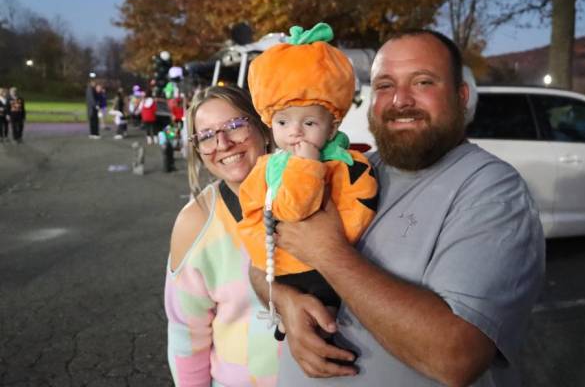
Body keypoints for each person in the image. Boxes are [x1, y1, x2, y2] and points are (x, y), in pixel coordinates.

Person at [252, 30, 546, 386]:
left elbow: (456, 356)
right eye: (385, 86)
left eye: (423, 82)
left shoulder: (493, 191)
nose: (400, 100)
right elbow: (259, 263)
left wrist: (328, 253)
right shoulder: (350, 169)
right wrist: (287, 303)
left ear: (461, 96)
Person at [237, 23, 378, 340]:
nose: (295, 132)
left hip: (326, 277)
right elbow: (251, 216)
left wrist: (306, 168)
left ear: (332, 126)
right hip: (281, 271)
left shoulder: (347, 166)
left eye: (310, 122)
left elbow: (298, 210)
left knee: (328, 327)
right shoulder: (266, 167)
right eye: (283, 121)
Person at [164, 85, 280, 386]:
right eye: (206, 136)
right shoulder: (196, 222)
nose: (223, 143)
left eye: (235, 125)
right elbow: (186, 336)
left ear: (263, 128)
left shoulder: (312, 194)